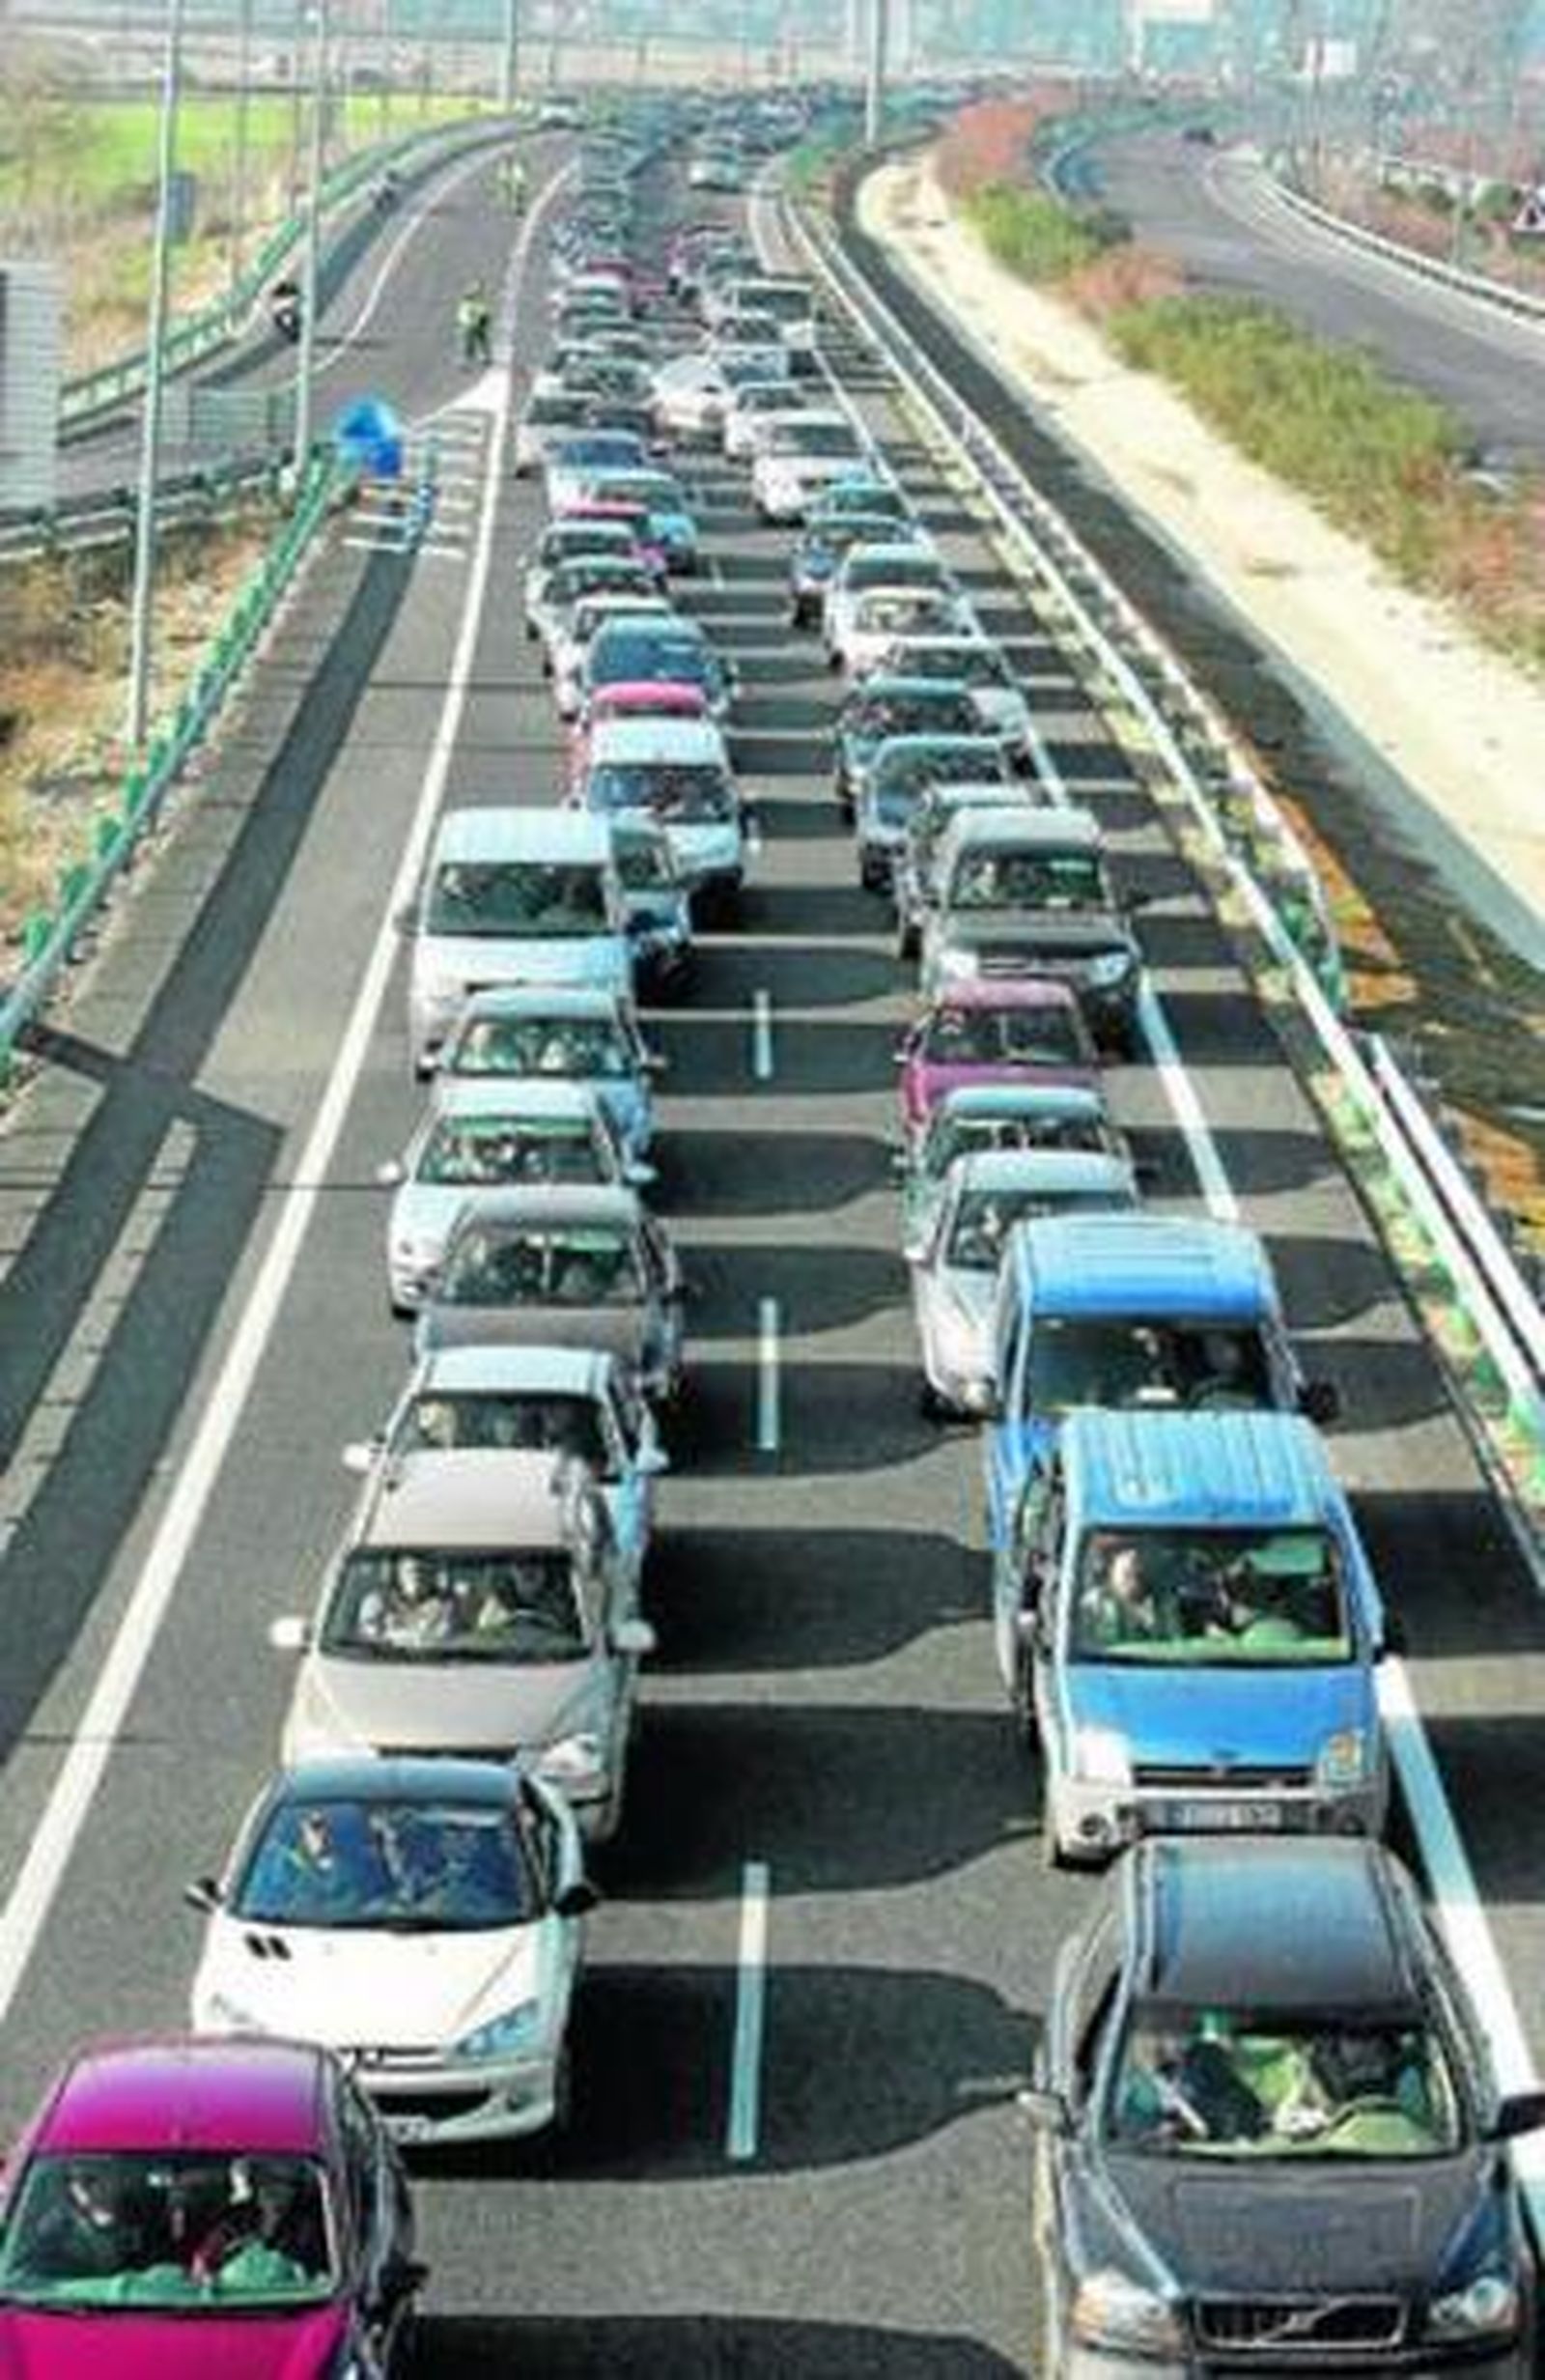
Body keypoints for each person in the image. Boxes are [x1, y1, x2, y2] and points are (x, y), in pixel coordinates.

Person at [458, 281, 492, 367]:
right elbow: (464, 315)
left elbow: (483, 311)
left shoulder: (478, 301)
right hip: (470, 325)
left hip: (477, 324)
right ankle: (466, 360)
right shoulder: (467, 303)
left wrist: (484, 318)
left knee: (481, 340)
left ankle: (484, 356)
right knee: (469, 343)